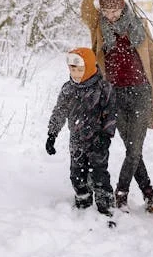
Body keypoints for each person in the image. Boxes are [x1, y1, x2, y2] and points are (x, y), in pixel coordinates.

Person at [80, 0, 153, 213]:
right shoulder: (97, 24)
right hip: (113, 92)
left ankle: (122, 192)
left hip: (140, 91)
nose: (112, 15)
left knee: (135, 147)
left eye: (115, 10)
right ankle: (150, 194)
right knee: (131, 148)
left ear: (123, 6)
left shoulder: (138, 23)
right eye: (107, 10)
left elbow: (152, 58)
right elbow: (85, 7)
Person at [46, 47, 117, 217]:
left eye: (80, 69)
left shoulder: (103, 88)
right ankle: (83, 200)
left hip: (98, 138)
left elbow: (110, 114)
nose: (76, 74)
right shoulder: (68, 89)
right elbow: (60, 111)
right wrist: (52, 134)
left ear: (91, 67)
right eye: (72, 69)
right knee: (77, 174)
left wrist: (106, 136)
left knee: (99, 173)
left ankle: (105, 203)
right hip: (76, 139)